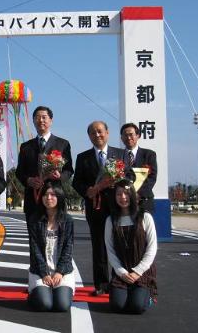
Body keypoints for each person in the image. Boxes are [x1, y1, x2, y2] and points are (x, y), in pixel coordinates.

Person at [72, 120, 123, 295]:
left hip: (118, 208)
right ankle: (101, 284)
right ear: (89, 136)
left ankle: (119, 281)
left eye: (100, 131)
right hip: (95, 207)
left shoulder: (120, 154)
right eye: (93, 133)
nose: (97, 135)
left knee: (119, 245)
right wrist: (88, 191)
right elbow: (76, 182)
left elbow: (129, 176)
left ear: (107, 133)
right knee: (99, 246)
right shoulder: (82, 157)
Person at [105, 179, 157, 314]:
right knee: (117, 306)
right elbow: (110, 250)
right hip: (121, 272)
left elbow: (152, 248)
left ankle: (147, 295)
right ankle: (126, 291)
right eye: (119, 194)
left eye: (126, 193)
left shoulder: (145, 217)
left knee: (137, 307)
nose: (123, 197)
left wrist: (138, 271)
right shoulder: (111, 220)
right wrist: (121, 272)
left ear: (133, 195)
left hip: (142, 272)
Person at [16, 106, 73, 222]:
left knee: (56, 236)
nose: (41, 120)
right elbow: (19, 172)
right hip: (33, 199)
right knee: (34, 238)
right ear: (33, 121)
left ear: (51, 121)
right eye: (37, 117)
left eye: (44, 117)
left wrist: (60, 177)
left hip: (55, 197)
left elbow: (69, 170)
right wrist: (28, 180)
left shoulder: (63, 144)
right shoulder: (25, 146)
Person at [27, 182, 74, 312]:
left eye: (53, 195)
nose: (48, 198)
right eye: (46, 195)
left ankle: (61, 291)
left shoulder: (67, 220)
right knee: (45, 304)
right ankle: (34, 293)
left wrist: (59, 272)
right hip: (40, 271)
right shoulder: (34, 220)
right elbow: (35, 249)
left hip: (62, 272)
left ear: (59, 197)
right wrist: (44, 273)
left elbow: (68, 249)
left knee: (62, 305)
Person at [120, 123, 157, 213]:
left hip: (144, 201)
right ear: (121, 138)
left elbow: (152, 178)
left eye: (131, 134)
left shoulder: (149, 154)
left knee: (144, 226)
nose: (128, 137)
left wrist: (136, 194)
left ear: (138, 136)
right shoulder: (117, 156)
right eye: (125, 135)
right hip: (123, 202)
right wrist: (125, 195)